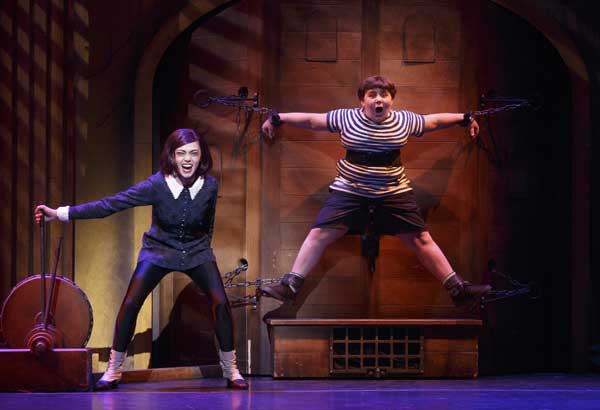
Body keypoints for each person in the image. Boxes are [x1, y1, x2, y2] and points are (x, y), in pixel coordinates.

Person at [35, 129, 248, 390]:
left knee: (221, 304)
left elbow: (208, 224)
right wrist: (59, 213)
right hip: (158, 250)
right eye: (181, 153)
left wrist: (203, 250)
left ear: (201, 156)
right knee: (131, 302)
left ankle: (231, 370)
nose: (187, 159)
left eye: (194, 153)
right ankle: (114, 370)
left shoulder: (210, 185)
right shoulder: (157, 184)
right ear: (172, 156)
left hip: (196, 251)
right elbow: (111, 204)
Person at [260, 75, 491, 308]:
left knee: (421, 238)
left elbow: (432, 121)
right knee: (319, 234)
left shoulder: (404, 120)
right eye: (372, 95)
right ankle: (290, 286)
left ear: (391, 100)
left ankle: (458, 290)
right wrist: (278, 118)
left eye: (384, 95)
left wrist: (465, 118)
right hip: (350, 189)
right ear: (363, 101)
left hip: (393, 190)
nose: (378, 99)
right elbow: (312, 121)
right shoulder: (346, 117)